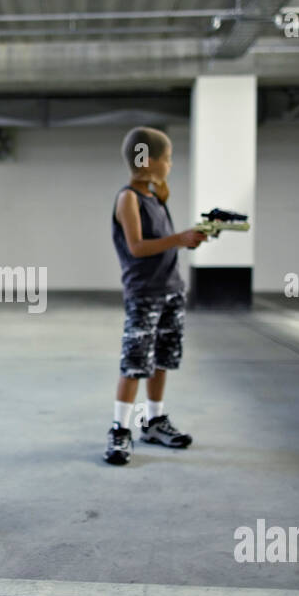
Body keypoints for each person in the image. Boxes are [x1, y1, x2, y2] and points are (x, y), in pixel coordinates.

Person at [105, 127, 207, 465]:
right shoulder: (128, 198)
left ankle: (153, 420)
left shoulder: (154, 197)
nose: (171, 164)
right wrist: (180, 238)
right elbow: (136, 247)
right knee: (135, 363)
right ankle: (121, 429)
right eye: (168, 158)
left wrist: (187, 235)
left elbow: (164, 236)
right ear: (148, 160)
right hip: (145, 294)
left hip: (171, 290)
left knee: (162, 360)